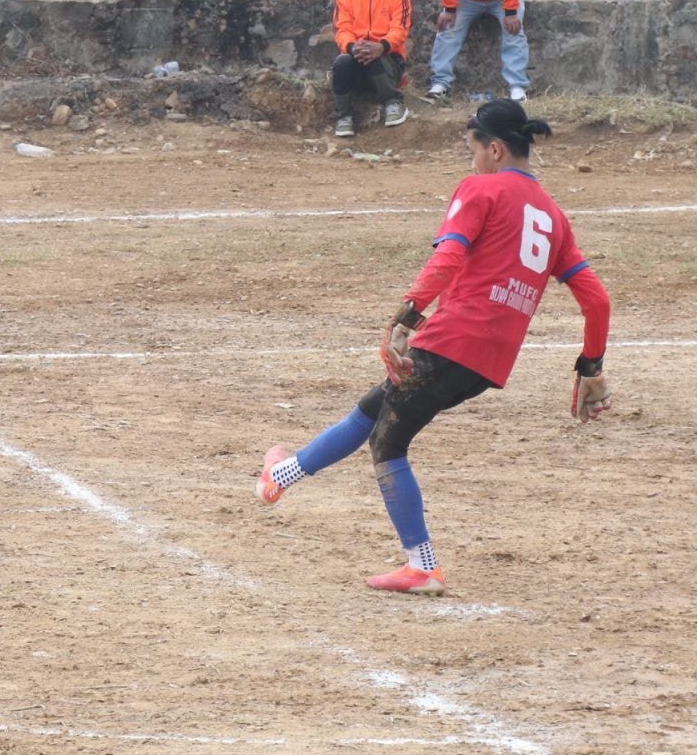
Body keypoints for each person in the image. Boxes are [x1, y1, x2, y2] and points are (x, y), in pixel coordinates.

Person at [255, 100, 611, 596]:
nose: (472, 161)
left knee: (388, 443)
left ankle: (422, 565)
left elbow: (449, 257)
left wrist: (407, 316)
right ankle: (282, 475)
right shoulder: (554, 216)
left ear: (495, 149)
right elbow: (596, 300)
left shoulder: (481, 188)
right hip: (489, 361)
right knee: (372, 411)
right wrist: (591, 366)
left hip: (450, 341)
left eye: (472, 150)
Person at [329, 0, 412, 138]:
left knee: (374, 54)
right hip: (356, 60)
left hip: (387, 63)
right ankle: (343, 116)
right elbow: (342, 31)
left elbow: (400, 31)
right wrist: (352, 48)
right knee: (342, 61)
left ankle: (393, 102)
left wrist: (381, 47)